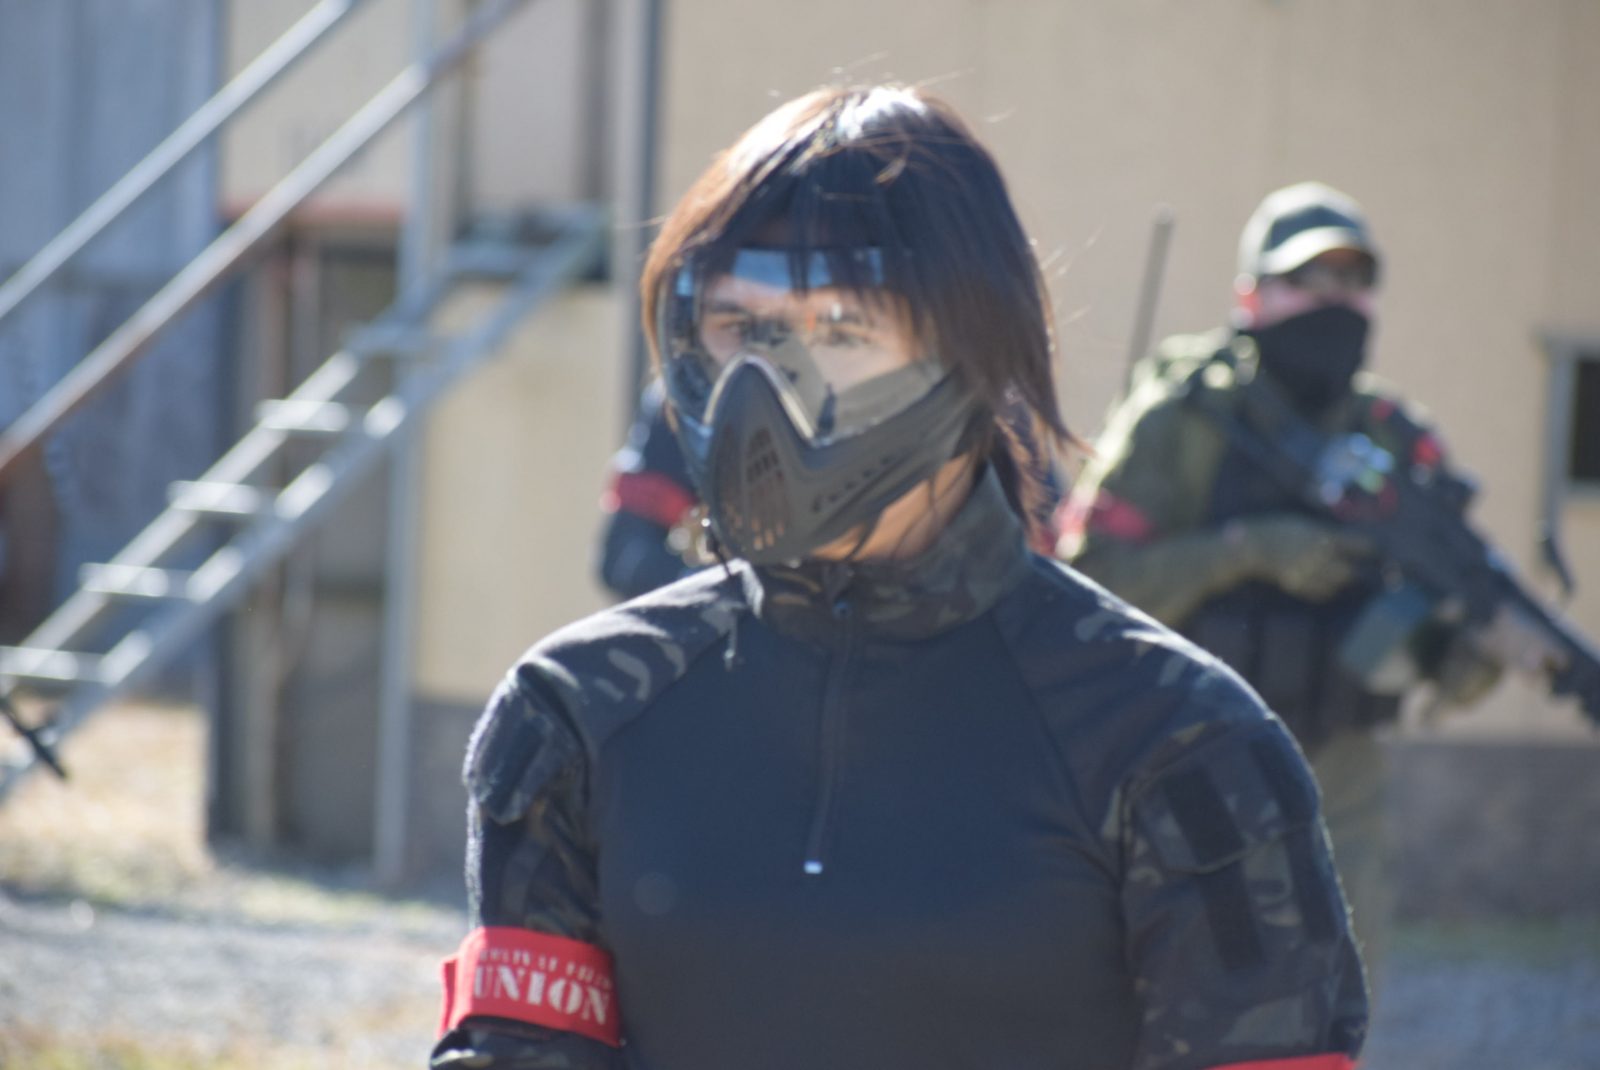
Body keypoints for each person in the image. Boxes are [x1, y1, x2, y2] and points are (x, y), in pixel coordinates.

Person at [431, 90, 1367, 1070]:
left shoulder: (1179, 744)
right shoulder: (577, 716)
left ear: (973, 352)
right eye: (738, 325)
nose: (772, 383)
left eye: (842, 329)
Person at [1059, 181, 1501, 983]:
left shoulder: (1395, 438)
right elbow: (1088, 584)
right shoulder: (1183, 417)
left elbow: (1458, 645)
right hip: (1187, 766)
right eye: (1306, 280)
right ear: (1251, 297)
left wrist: (1466, 650)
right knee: (1182, 1002)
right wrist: (1247, 551)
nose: (1332, 300)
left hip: (1342, 780)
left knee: (1337, 1005)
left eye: (1352, 281)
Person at [595, 378, 1067, 601]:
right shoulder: (687, 399)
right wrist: (740, 603)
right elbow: (623, 558)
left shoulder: (980, 396)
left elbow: (1042, 555)